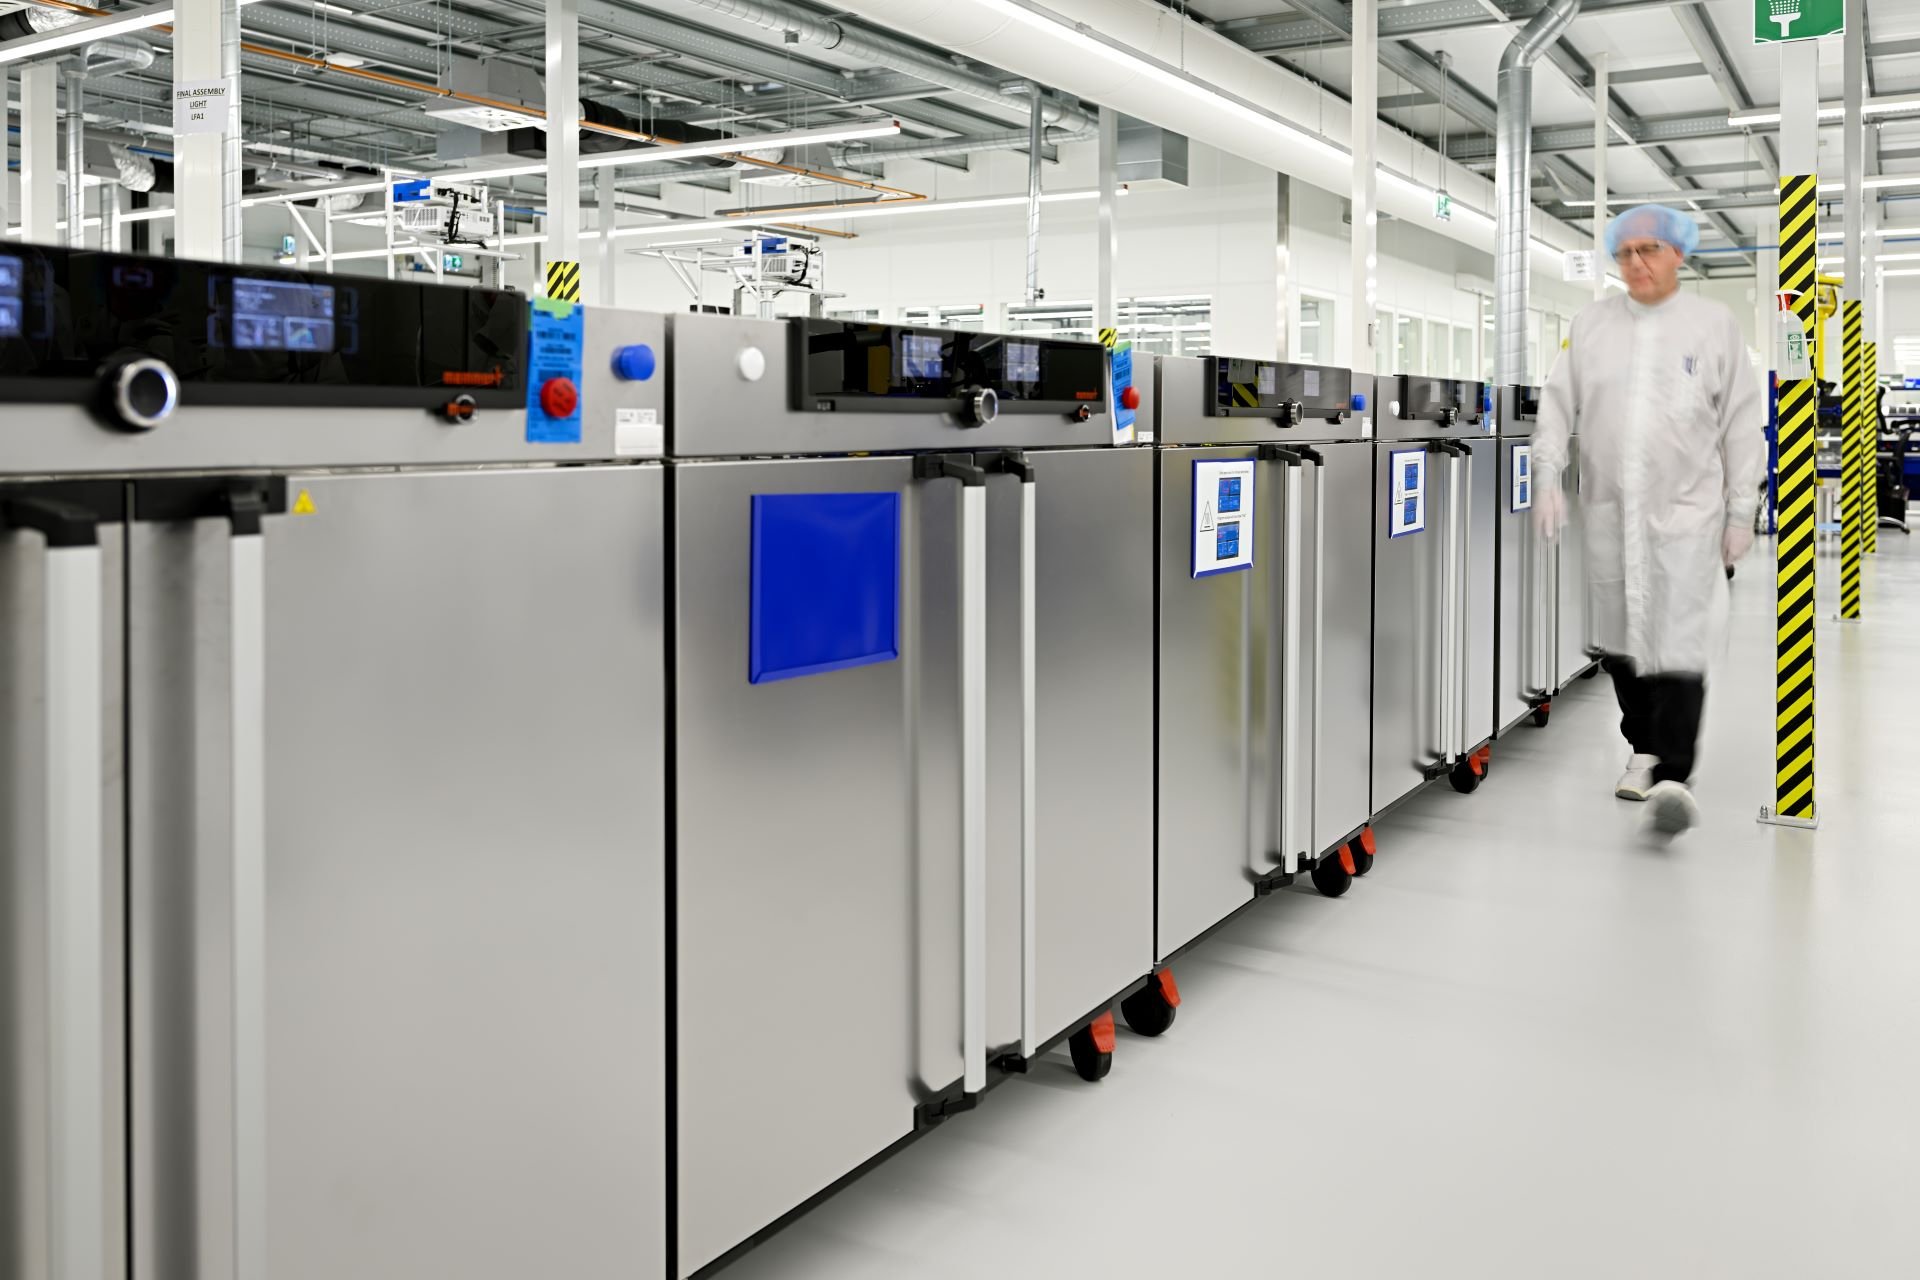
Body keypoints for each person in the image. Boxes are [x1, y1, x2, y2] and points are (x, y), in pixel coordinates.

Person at [1532, 203, 1767, 836]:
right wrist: (1546, 473)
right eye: (1625, 252)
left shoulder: (1713, 326)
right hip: (1609, 513)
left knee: (1679, 642)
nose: (1635, 263)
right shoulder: (1591, 326)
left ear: (1677, 255)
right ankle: (1642, 747)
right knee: (1622, 643)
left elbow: (1743, 423)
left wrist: (1742, 509)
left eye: (1649, 250)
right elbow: (1557, 403)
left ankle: (1673, 776)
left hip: (1686, 516)